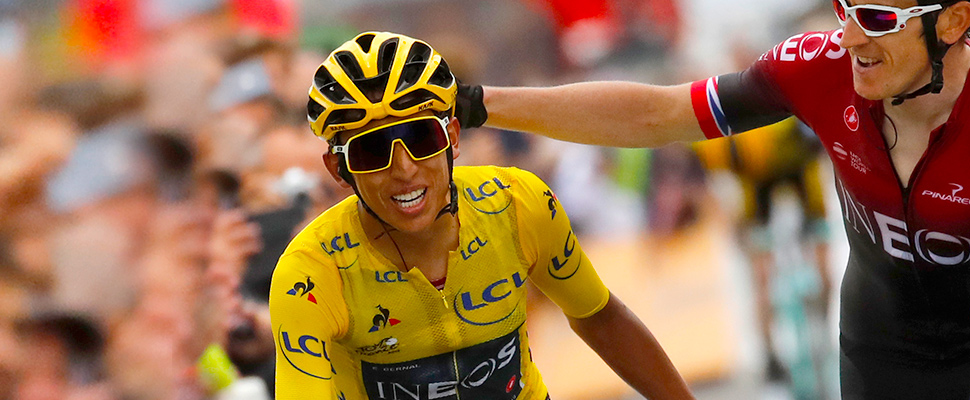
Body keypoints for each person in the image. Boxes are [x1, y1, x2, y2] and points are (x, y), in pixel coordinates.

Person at [455, 0, 970, 398]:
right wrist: (479, 104)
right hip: (880, 353)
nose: (852, 35)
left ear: (952, 23)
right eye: (844, 8)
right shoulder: (822, 67)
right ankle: (772, 348)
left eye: (877, 18)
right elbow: (657, 113)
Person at [269, 32, 693, 400]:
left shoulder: (516, 203)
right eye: (372, 151)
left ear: (452, 137)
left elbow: (599, 316)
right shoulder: (311, 274)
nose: (404, 169)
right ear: (337, 169)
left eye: (421, 136)